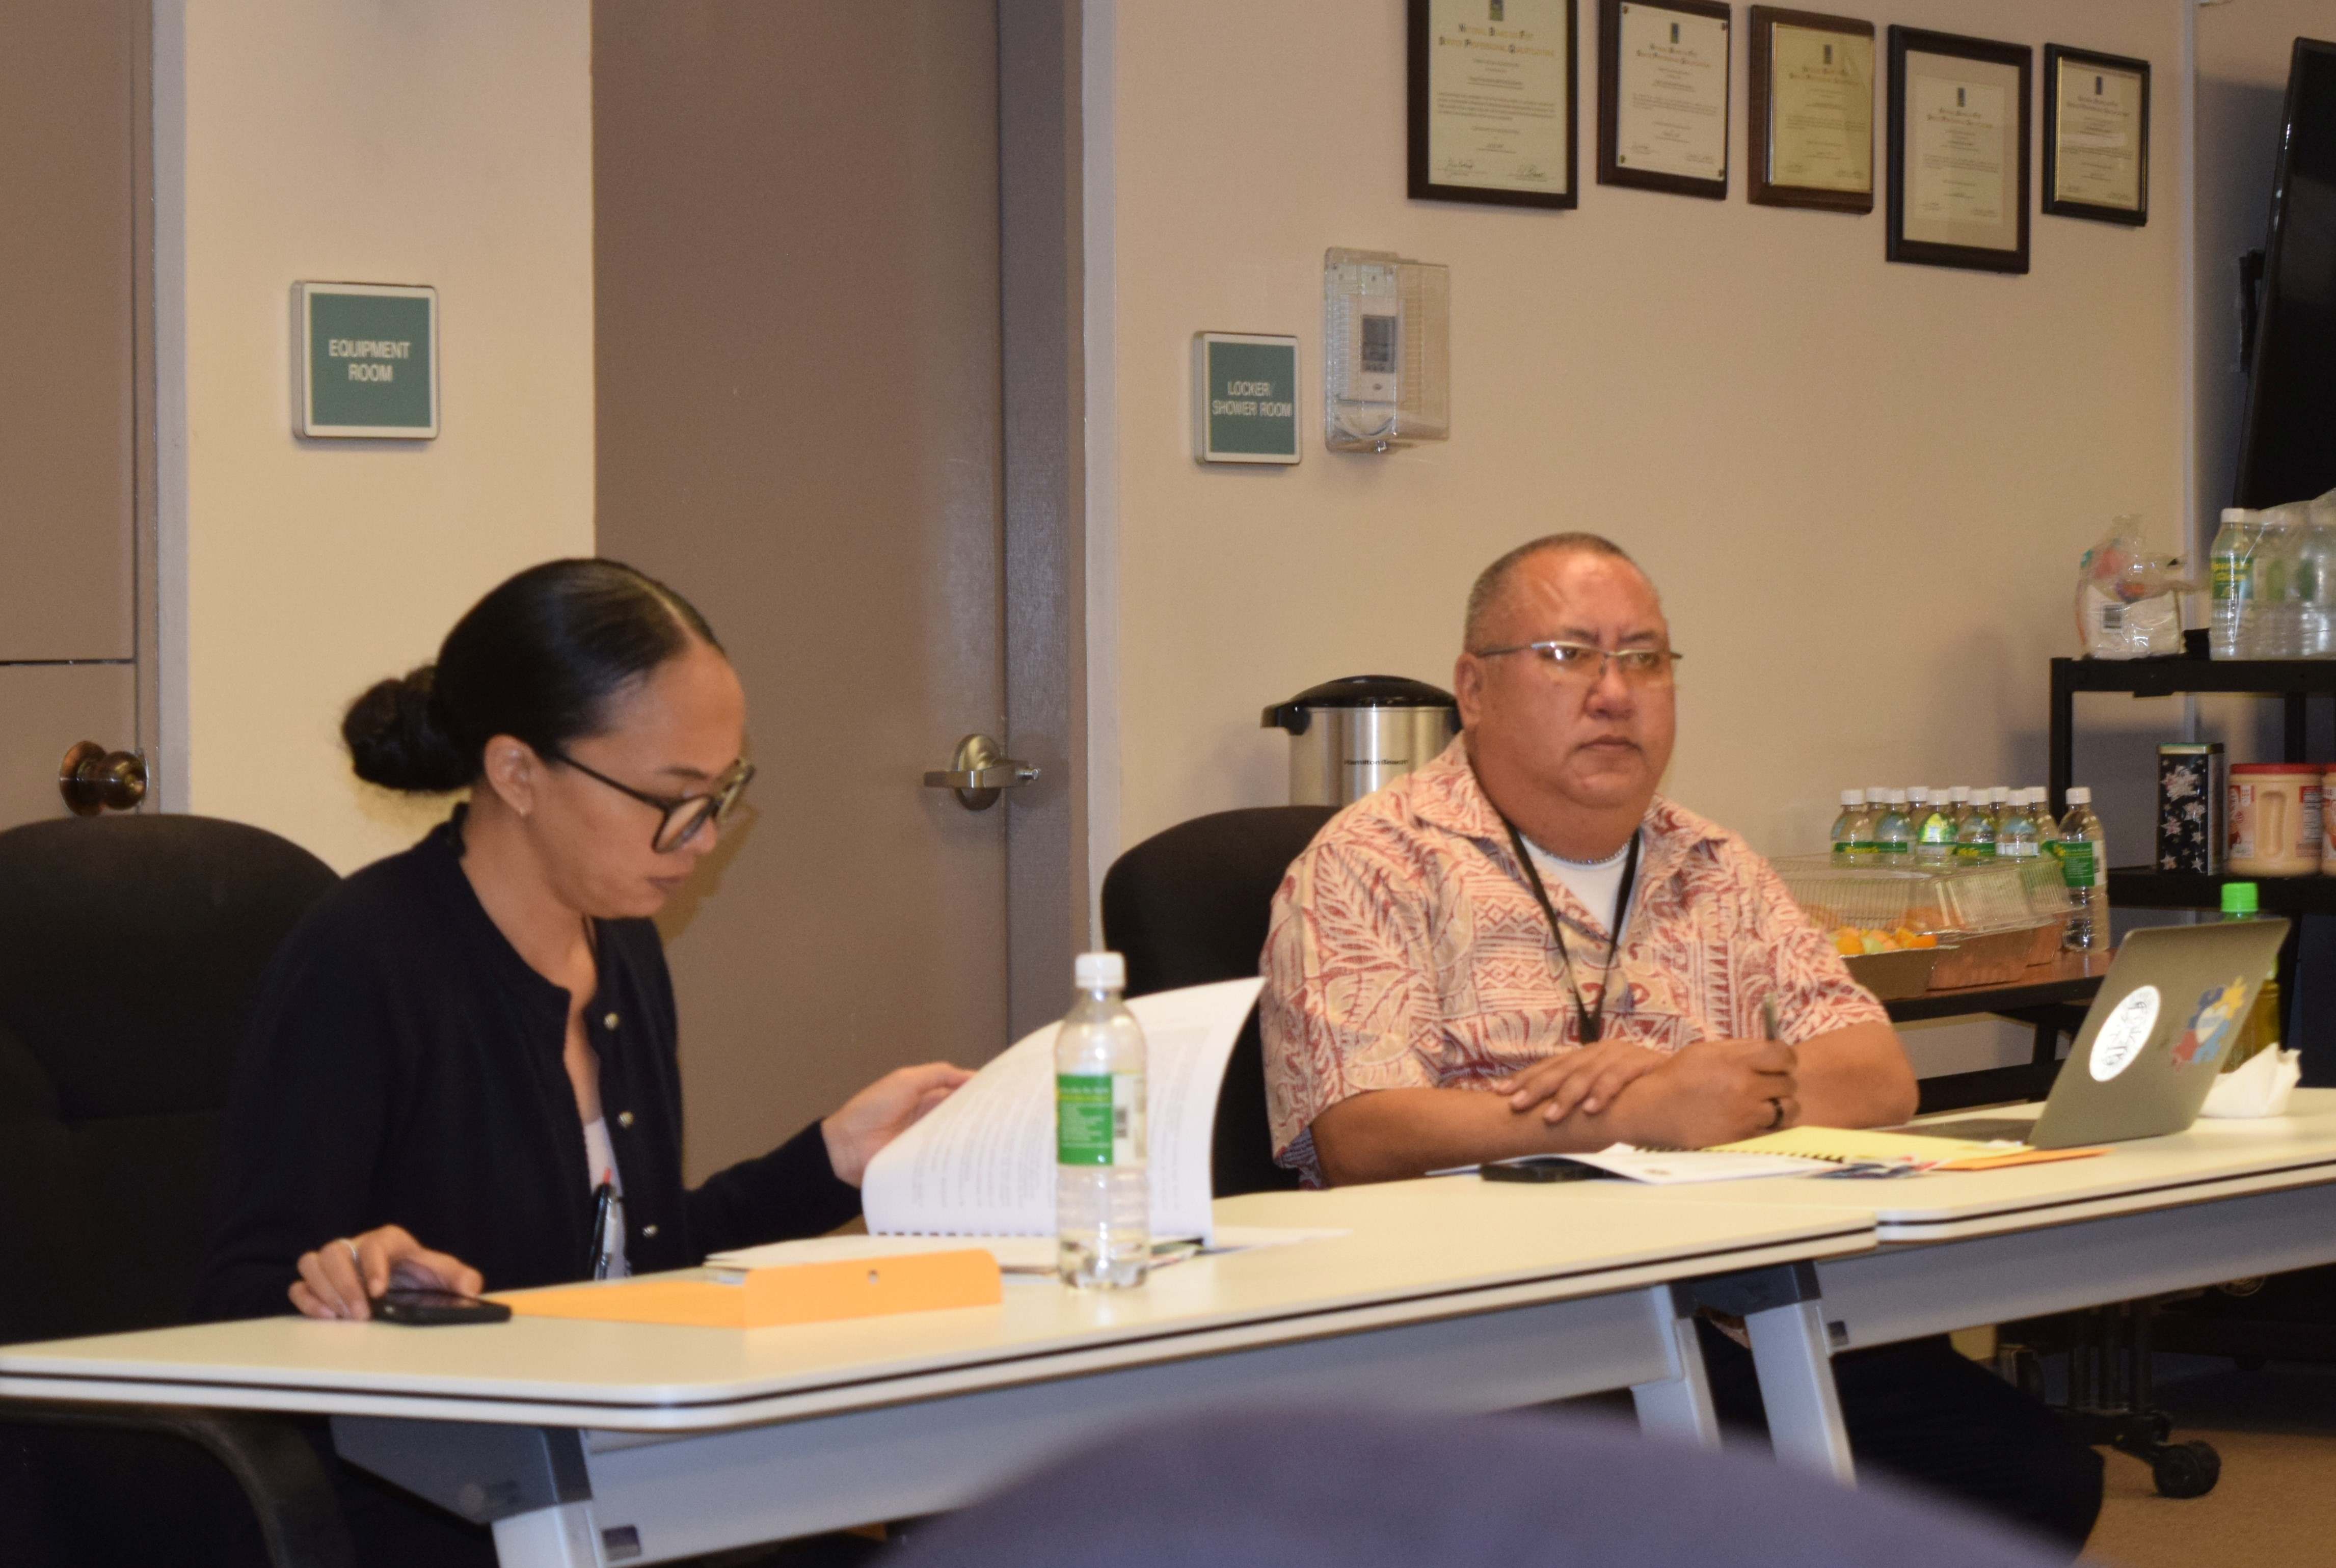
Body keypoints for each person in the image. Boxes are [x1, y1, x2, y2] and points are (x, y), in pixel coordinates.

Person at [1259, 533, 2102, 1553]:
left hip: (1728, 1306)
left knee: (2025, 1480)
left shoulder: (1712, 862)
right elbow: (1359, 1133)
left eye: (1645, 658)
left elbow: (1874, 1076)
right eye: (1569, 656)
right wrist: (1631, 1117)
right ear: (1473, 690)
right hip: (1493, 1333)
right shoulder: (1369, 864)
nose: (1614, 693)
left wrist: (1719, 1094)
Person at [196, 558, 964, 1564]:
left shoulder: (620, 941)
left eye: (723, 791)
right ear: (516, 773)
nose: (702, 839)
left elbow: (625, 1263)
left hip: (624, 1489)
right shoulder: (364, 955)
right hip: (447, 1515)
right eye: (672, 797)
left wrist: (831, 1159)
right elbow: (240, 1306)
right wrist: (355, 1284)